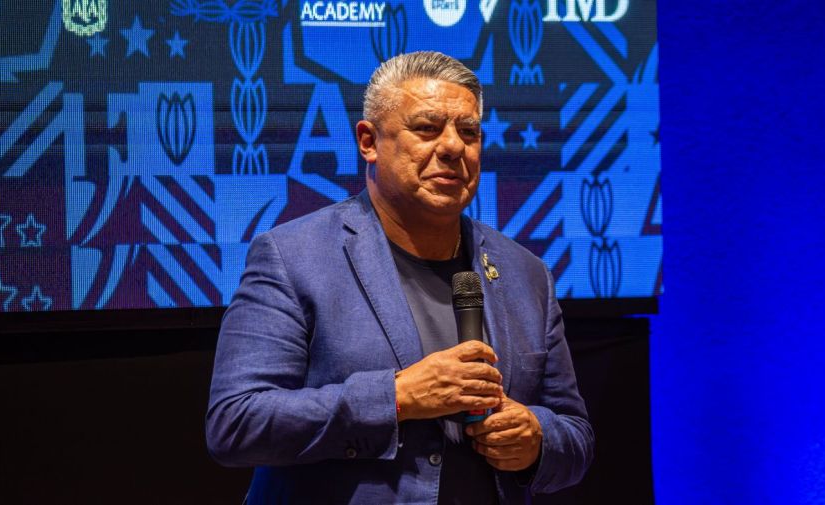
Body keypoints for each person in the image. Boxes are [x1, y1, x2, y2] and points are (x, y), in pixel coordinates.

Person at [206, 51, 594, 504]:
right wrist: (397, 396)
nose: (453, 147)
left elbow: (577, 437)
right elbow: (236, 423)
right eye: (427, 128)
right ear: (369, 141)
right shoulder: (292, 257)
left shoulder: (526, 273)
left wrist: (536, 439)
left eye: (468, 132)